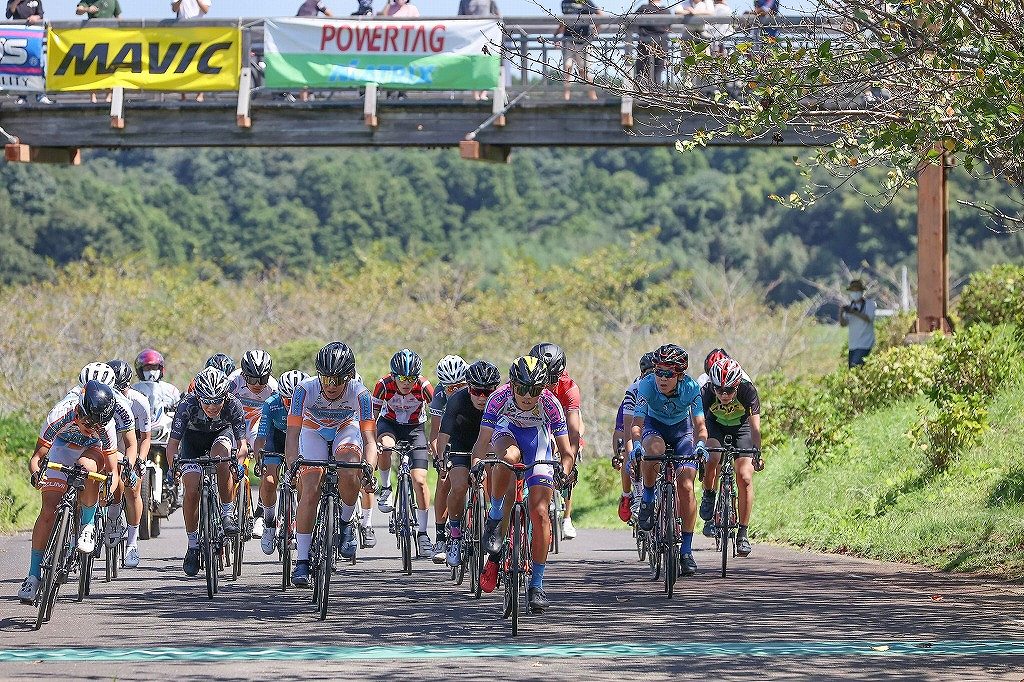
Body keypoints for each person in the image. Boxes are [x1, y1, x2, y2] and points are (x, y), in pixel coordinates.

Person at [475, 356, 574, 612]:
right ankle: (495, 516)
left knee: (540, 511)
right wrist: (476, 464)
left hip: (537, 441)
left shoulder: (551, 404)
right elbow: (482, 441)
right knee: (508, 457)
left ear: (544, 388)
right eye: (522, 389)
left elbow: (566, 452)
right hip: (506, 433)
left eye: (535, 390)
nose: (528, 396)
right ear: (512, 385)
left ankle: (537, 585)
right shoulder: (499, 398)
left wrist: (563, 472)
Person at [19, 380, 120, 604]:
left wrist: (109, 491)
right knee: (48, 509)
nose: (92, 428)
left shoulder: (106, 428)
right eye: (88, 422)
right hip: (62, 448)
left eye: (97, 426)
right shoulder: (60, 413)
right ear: (79, 409)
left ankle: (87, 525)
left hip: (92, 452)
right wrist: (37, 474)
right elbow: (37, 458)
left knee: (88, 469)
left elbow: (112, 472)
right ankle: (33, 576)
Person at [286, 342, 377, 586]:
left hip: (346, 429)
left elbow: (370, 439)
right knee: (310, 485)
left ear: (349, 375)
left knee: (351, 468)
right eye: (326, 379)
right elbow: (292, 434)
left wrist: (368, 469)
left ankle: (346, 523)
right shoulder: (303, 390)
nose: (332, 386)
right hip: (312, 430)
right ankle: (302, 561)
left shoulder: (360, 393)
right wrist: (292, 465)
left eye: (338, 379)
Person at [632, 343, 708, 576]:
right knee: (653, 449)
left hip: (681, 431)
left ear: (680, 375)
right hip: (654, 428)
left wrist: (702, 445)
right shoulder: (646, 385)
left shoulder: (691, 387)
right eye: (658, 372)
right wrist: (635, 444)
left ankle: (686, 550)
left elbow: (700, 426)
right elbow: (637, 423)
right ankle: (647, 495)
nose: (662, 378)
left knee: (686, 485)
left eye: (668, 373)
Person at [166, 367, 249, 576]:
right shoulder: (187, 404)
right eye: (207, 402)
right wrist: (172, 467)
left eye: (217, 401)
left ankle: (227, 514)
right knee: (192, 490)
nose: (212, 407)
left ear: (225, 397)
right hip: (192, 441)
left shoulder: (233, 405)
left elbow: (242, 446)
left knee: (222, 458)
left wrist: (238, 464)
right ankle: (193, 545)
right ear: (198, 397)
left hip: (221, 435)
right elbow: (172, 444)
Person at [434, 360, 501, 567]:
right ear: (468, 387)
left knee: (494, 485)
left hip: (488, 446)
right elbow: (443, 434)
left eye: (487, 391)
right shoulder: (456, 399)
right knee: (459, 485)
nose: (482, 397)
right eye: (476, 391)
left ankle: (493, 526)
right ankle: (454, 534)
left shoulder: (499, 402)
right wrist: (441, 458)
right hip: (461, 445)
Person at [372, 349, 435, 558]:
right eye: (402, 378)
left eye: (411, 378)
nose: (406, 383)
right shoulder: (383, 385)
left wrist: (435, 441)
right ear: (393, 376)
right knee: (387, 446)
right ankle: (386, 488)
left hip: (415, 427)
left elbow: (439, 415)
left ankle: (423, 534)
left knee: (419, 480)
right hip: (389, 424)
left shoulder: (424, 387)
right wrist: (373, 443)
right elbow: (372, 417)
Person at [698, 357, 762, 554]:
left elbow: (755, 427)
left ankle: (743, 532)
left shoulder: (747, 389)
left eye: (729, 390)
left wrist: (757, 453)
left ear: (737, 386)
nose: (724, 395)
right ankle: (709, 494)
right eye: (719, 390)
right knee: (713, 457)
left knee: (744, 476)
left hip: (741, 428)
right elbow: (698, 424)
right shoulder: (706, 390)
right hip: (715, 426)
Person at [529, 342, 584, 539]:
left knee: (570, 460)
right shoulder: (526, 381)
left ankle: (567, 517)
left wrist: (569, 459)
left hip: (564, 422)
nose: (549, 384)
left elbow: (574, 430)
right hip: (537, 422)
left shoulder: (569, 388)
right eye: (545, 379)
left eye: (554, 379)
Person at [252, 368, 303, 556]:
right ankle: (269, 522)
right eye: (286, 399)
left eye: (294, 400)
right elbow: (261, 437)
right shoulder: (271, 404)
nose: (290, 404)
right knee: (270, 480)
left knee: (303, 481)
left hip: (300, 440)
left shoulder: (310, 405)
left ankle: (299, 521)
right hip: (276, 439)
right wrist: (260, 461)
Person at [107, 359, 152, 569]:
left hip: (130, 447)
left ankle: (132, 544)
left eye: (122, 388)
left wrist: (140, 461)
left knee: (133, 489)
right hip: (107, 445)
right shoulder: (101, 400)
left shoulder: (140, 402)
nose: (119, 393)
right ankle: (110, 516)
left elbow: (145, 437)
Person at [229, 349, 279, 540]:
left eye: (262, 379)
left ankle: (259, 512)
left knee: (265, 464)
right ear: (243, 374)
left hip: (259, 421)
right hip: (237, 421)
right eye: (252, 379)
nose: (258, 384)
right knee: (230, 457)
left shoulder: (273, 387)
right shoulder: (233, 382)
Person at [427, 354, 468, 563]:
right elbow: (435, 433)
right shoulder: (440, 394)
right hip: (450, 436)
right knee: (444, 480)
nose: (455, 391)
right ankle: (441, 537)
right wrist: (439, 457)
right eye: (450, 387)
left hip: (473, 435)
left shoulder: (476, 390)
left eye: (459, 385)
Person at [612, 350, 656, 523]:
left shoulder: (666, 387)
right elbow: (623, 432)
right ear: (642, 374)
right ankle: (627, 495)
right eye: (649, 373)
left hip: (654, 427)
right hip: (633, 425)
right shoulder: (634, 391)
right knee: (628, 458)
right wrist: (623, 455)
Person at [132, 349, 182, 443]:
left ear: (160, 369)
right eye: (147, 368)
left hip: (164, 428)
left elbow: (179, 406)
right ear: (140, 370)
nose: (151, 372)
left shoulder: (171, 389)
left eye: (154, 368)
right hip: (141, 428)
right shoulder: (133, 389)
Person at [458, 0, 501, 100]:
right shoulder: (464, 1)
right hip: (470, 38)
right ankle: (475, 93)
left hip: (486, 36)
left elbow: (498, 14)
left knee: (486, 63)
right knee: (472, 65)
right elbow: (459, 18)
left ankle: (484, 92)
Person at [172, 0, 211, 102]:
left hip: (198, 31)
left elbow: (205, 10)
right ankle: (183, 95)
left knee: (200, 62)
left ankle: (200, 94)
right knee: (180, 63)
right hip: (182, 31)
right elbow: (174, 9)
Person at [839, 279, 876, 368]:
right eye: (853, 291)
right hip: (853, 345)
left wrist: (854, 312)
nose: (855, 293)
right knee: (852, 371)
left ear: (861, 291)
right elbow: (843, 324)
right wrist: (841, 312)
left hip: (865, 344)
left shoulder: (869, 304)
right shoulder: (851, 306)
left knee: (855, 368)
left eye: (857, 291)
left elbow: (868, 319)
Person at [632, 0, 669, 88]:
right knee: (657, 75)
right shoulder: (665, 11)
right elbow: (668, 26)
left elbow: (631, 22)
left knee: (642, 75)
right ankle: (655, 97)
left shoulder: (643, 9)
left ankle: (643, 98)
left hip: (644, 46)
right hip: (661, 47)